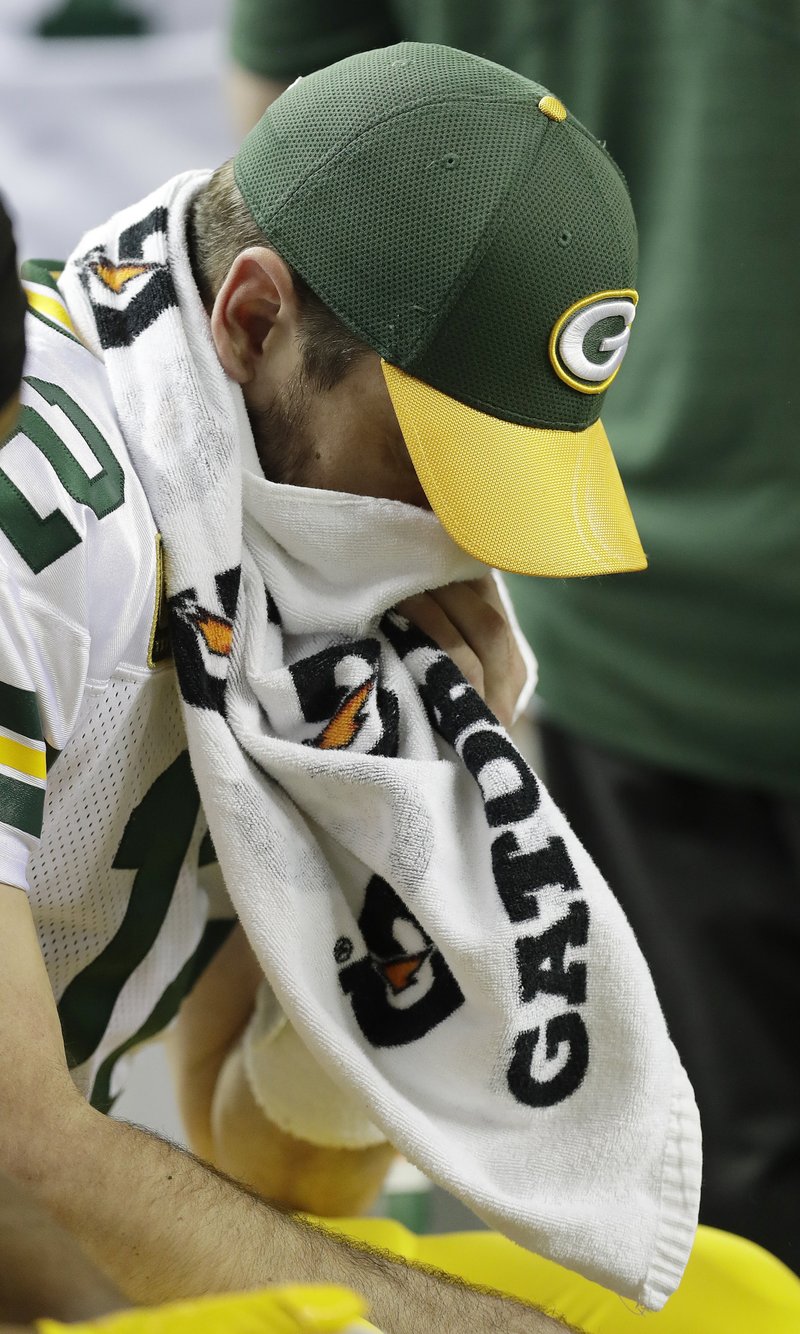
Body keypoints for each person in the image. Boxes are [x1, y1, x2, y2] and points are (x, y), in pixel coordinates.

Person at [1, 45, 701, 1331]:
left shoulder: (249, 507)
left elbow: (262, 1170)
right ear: (254, 320)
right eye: (431, 460)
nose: (458, 539)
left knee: (735, 1295)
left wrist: (403, 857)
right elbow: (11, 1166)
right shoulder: (42, 526)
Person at [226, 0, 800, 1271]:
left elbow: (285, 152)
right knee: (667, 1219)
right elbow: (305, 168)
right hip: (624, 620)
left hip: (602, 572)